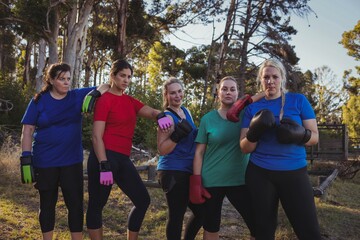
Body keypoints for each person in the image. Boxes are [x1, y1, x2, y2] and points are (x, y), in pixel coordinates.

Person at [20, 62, 109, 240]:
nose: (67, 82)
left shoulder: (76, 96)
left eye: (69, 79)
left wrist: (95, 94)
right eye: (62, 79)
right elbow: (27, 131)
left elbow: (107, 85)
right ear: (52, 80)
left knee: (75, 205)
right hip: (45, 161)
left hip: (71, 161)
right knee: (47, 205)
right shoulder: (38, 101)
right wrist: (25, 159)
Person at [85, 59, 172, 240]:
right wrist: (103, 164)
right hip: (104, 157)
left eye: (129, 77)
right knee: (97, 204)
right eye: (122, 75)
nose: (126, 80)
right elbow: (96, 136)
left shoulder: (129, 101)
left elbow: (151, 111)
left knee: (142, 200)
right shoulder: (104, 100)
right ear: (113, 76)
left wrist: (161, 115)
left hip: (122, 159)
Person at [239, 58, 321, 240]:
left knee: (309, 231)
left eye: (275, 76)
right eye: (266, 77)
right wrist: (254, 132)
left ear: (282, 78)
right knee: (263, 231)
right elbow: (244, 147)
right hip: (260, 173)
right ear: (261, 80)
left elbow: (315, 137)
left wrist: (301, 134)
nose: (270, 81)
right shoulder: (253, 108)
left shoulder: (298, 101)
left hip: (294, 173)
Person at [190, 76, 264, 240]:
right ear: (218, 93)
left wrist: (243, 103)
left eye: (232, 89)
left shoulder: (248, 113)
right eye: (224, 89)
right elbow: (199, 152)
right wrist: (196, 180)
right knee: (211, 225)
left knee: (257, 224)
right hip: (212, 180)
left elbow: (264, 93)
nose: (228, 92)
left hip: (240, 179)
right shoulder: (208, 119)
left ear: (238, 93)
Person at [156, 77, 204, 240]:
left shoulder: (186, 111)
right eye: (172, 93)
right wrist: (176, 136)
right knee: (177, 216)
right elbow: (162, 149)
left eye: (179, 91)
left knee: (202, 212)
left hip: (189, 169)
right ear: (166, 95)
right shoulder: (167, 118)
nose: (177, 96)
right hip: (172, 170)